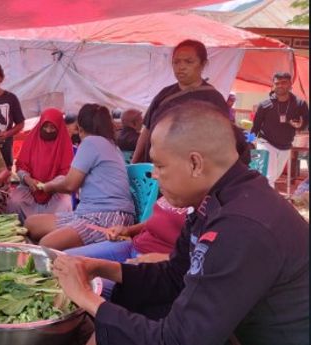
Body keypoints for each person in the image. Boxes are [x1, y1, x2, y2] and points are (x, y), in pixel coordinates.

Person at [53, 100, 309, 345]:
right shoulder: (216, 199)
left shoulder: (241, 227)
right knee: (127, 307)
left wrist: (87, 298)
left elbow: (178, 340)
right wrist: (99, 267)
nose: (154, 175)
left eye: (160, 165)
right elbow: (176, 275)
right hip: (228, 327)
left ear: (195, 164)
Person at [25, 104, 136, 250]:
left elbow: (70, 185)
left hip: (108, 218)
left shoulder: (91, 142)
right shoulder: (111, 145)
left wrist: (48, 186)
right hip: (89, 213)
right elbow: (71, 179)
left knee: (46, 245)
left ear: (80, 128)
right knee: (31, 223)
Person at [131, 39, 249, 164]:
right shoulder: (164, 95)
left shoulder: (213, 99)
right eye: (176, 62)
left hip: (193, 172)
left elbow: (223, 140)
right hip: (155, 169)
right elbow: (147, 130)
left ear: (203, 64)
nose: (181, 67)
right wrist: (134, 162)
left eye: (189, 62)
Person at [65, 196, 187, 264]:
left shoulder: (202, 208)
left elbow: (200, 261)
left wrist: (165, 258)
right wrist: (128, 230)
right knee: (63, 260)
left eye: (161, 166)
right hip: (132, 246)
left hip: (155, 265)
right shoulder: (174, 190)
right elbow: (156, 220)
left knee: (78, 279)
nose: (154, 175)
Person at [6, 108, 74, 222]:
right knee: (15, 201)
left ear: (59, 128)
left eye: (52, 128)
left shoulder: (65, 145)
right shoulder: (31, 140)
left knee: (64, 204)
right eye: (45, 126)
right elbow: (21, 166)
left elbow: (66, 172)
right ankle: (24, 230)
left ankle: (51, 231)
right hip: (29, 187)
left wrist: (52, 185)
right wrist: (28, 179)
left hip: (55, 190)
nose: (48, 130)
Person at [251, 72, 309, 188]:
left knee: (274, 176)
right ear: (273, 85)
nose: (280, 86)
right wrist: (248, 142)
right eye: (277, 83)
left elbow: (305, 123)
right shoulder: (264, 105)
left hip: (285, 145)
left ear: (290, 84)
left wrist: (300, 127)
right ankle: (265, 203)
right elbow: (255, 127)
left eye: (284, 83)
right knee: (268, 176)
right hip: (265, 142)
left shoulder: (300, 104)